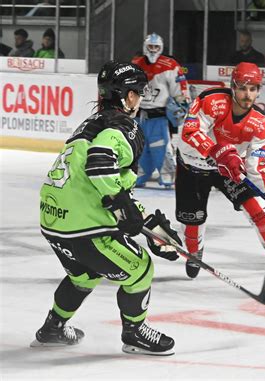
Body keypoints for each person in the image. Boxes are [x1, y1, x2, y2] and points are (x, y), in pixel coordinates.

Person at [31, 61, 182, 356]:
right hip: (82, 223)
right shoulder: (123, 126)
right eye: (137, 92)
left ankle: (53, 328)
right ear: (126, 96)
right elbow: (100, 164)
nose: (140, 98)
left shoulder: (93, 122)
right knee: (140, 270)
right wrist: (125, 211)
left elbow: (106, 184)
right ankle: (135, 333)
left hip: (53, 219)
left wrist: (148, 222)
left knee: (83, 276)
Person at [175, 62, 265, 298]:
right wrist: (218, 151)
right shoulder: (210, 100)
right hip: (193, 165)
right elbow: (190, 132)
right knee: (193, 220)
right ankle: (195, 253)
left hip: (229, 169)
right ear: (233, 86)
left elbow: (257, 166)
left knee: (259, 211)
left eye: (254, 89)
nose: (248, 95)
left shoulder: (261, 124)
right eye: (243, 88)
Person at [132, 33, 190, 188]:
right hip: (139, 117)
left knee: (162, 148)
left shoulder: (170, 66)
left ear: (161, 48)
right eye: (150, 46)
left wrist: (183, 104)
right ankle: (140, 174)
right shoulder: (135, 65)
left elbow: (180, 88)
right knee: (139, 147)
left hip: (159, 117)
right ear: (145, 47)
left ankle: (168, 176)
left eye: (156, 47)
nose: (152, 50)